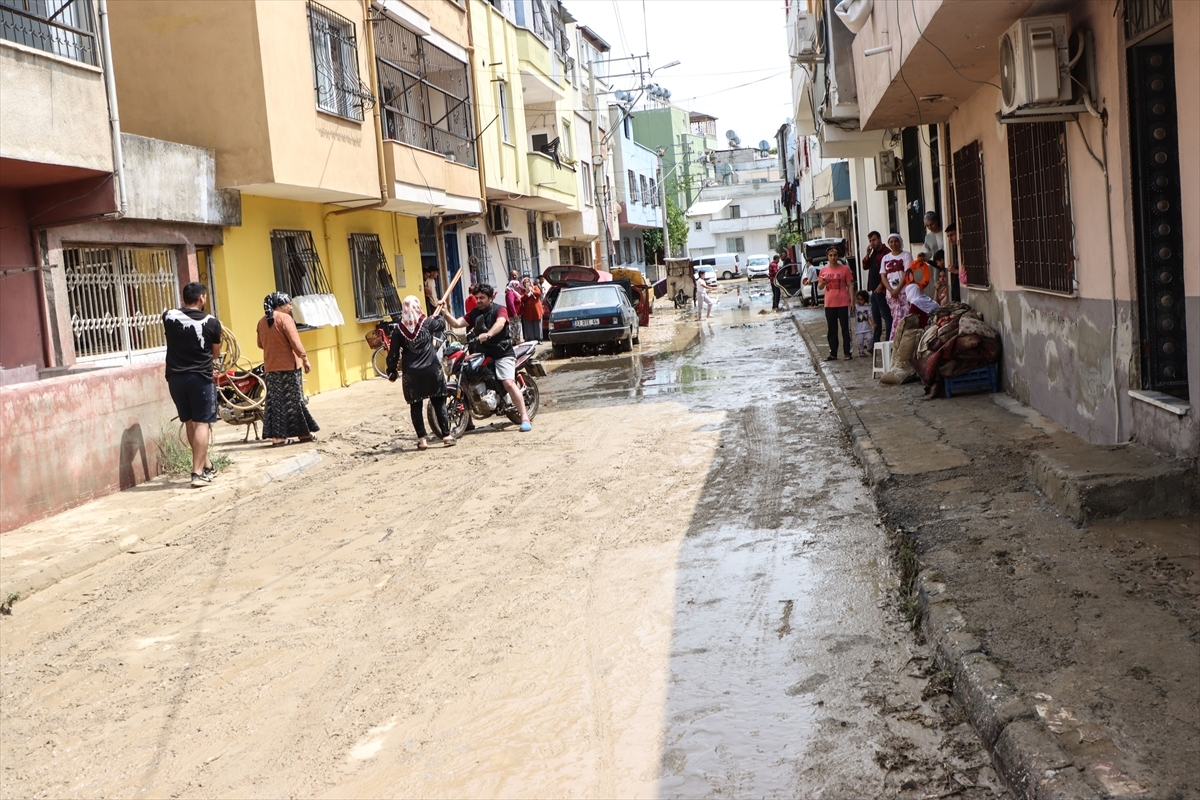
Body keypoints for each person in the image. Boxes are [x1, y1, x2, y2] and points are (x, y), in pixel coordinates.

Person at [440, 283, 532, 432]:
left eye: (482, 298)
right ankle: (467, 422)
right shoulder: (475, 313)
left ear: (491, 297)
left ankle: (524, 417)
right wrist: (445, 312)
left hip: (502, 352)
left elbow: (500, 324)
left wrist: (488, 334)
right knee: (466, 378)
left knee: (508, 383)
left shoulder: (500, 309)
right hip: (482, 352)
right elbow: (457, 323)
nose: (479, 301)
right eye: (477, 298)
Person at [163, 281, 222, 487]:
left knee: (189, 421)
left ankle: (206, 465)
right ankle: (197, 473)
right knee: (202, 422)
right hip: (200, 378)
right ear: (202, 298)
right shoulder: (212, 322)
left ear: (184, 298)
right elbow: (215, 353)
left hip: (175, 379)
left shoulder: (169, 317)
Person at [387, 295, 455, 450]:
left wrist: (391, 371)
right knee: (439, 402)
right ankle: (446, 435)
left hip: (411, 373)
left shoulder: (399, 329)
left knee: (415, 405)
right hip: (431, 369)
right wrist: (438, 311)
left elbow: (393, 353)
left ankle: (423, 440)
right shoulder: (428, 323)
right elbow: (441, 325)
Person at [257, 292, 319, 446]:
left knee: (276, 402)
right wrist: (305, 358)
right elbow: (295, 342)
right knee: (295, 401)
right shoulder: (285, 319)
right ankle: (303, 434)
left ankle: (279, 437)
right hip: (289, 367)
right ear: (280, 305)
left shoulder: (261, 322)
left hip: (271, 368)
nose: (290, 308)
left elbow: (260, 344)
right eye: (288, 304)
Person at [817, 246, 855, 360]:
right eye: (831, 255)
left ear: (838, 256)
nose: (833, 257)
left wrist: (852, 301)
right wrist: (823, 283)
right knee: (832, 329)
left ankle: (847, 352)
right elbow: (819, 287)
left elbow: (850, 285)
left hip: (843, 302)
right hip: (829, 304)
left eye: (835, 255)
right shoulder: (823, 270)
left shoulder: (845, 269)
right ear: (827, 257)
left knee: (845, 329)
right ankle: (833, 353)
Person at [882, 233, 913, 341]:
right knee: (896, 317)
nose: (893, 243)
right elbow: (883, 276)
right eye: (891, 241)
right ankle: (896, 341)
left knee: (903, 317)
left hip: (904, 291)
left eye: (896, 241)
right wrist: (891, 290)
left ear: (900, 242)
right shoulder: (885, 258)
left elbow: (906, 274)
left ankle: (898, 340)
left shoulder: (906, 256)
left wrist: (898, 289)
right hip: (891, 294)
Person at [862, 230, 890, 345]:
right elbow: (865, 266)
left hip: (882, 289)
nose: (872, 243)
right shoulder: (873, 253)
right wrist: (867, 253)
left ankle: (889, 339)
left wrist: (881, 285)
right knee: (875, 316)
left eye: (873, 240)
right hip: (873, 290)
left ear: (879, 239)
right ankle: (876, 341)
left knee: (886, 315)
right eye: (870, 241)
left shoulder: (886, 252)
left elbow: (888, 272)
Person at [922, 211, 944, 298]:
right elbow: (929, 252)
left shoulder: (944, 233)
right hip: (936, 267)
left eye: (932, 224)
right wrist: (923, 256)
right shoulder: (928, 237)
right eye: (927, 226)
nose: (930, 227)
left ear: (936, 222)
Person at [519, 276, 543, 342]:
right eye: (525, 282)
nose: (527, 283)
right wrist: (527, 293)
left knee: (537, 325)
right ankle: (530, 339)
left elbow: (539, 294)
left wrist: (532, 290)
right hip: (528, 311)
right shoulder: (523, 291)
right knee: (529, 325)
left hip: (536, 310)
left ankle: (539, 339)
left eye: (528, 282)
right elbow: (522, 299)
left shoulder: (535, 287)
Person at [945, 223, 962, 302]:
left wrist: (955, 271)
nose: (950, 239)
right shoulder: (955, 249)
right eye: (948, 236)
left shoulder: (963, 248)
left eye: (952, 235)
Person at [853, 290, 873, 356]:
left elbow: (870, 316)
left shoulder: (867, 308)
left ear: (865, 300)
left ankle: (869, 348)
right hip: (858, 329)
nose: (859, 301)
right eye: (858, 299)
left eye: (861, 300)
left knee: (870, 338)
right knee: (860, 341)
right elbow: (852, 314)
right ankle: (861, 351)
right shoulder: (855, 307)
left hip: (867, 328)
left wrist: (873, 323)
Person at [505, 276, 524, 344]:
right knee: (516, 326)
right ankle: (516, 340)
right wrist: (514, 313)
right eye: (516, 286)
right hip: (514, 314)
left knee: (515, 326)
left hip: (516, 313)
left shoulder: (513, 292)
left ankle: (515, 340)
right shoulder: (510, 293)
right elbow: (511, 303)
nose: (518, 287)